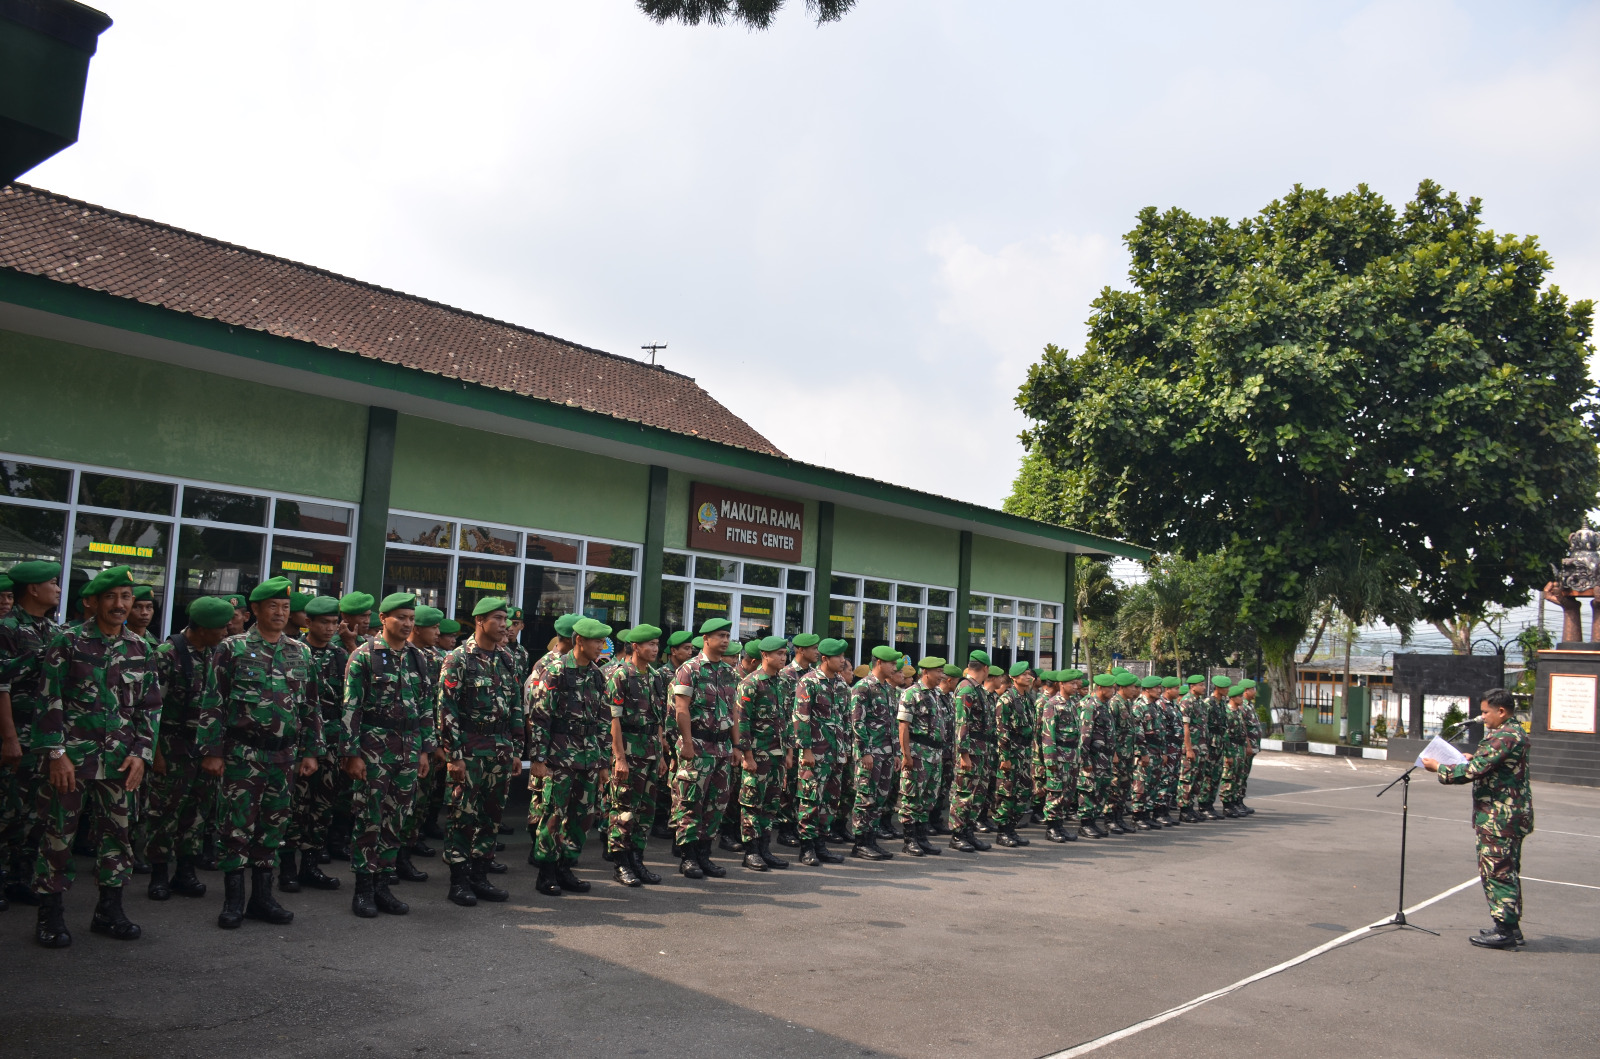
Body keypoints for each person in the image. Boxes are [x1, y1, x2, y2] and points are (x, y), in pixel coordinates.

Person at [31, 565, 161, 948]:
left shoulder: (141, 647)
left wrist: (141, 754)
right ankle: (50, 915)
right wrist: (56, 753)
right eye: (111, 597)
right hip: (71, 759)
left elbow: (149, 708)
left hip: (120, 762)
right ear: (92, 602)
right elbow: (47, 701)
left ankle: (109, 911)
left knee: (117, 838)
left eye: (126, 597)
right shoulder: (67, 643)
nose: (121, 605)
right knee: (58, 836)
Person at [196, 576, 323, 930]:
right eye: (273, 606)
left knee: (274, 826)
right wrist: (212, 751)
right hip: (242, 753)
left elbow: (310, 707)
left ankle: (262, 899)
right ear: (255, 610)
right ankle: (233, 900)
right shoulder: (231, 648)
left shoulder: (301, 651)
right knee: (236, 826)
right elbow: (213, 703)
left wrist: (311, 750)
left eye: (285, 607)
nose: (281, 613)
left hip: (283, 757)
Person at [341, 592, 435, 918]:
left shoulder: (416, 657)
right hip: (373, 749)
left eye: (411, 618)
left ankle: (384, 886)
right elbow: (351, 708)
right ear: (383, 619)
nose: (408, 624)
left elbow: (425, 707)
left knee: (396, 818)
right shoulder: (364, 655)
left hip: (408, 750)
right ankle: (363, 889)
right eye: (401, 618)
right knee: (369, 818)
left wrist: (425, 749)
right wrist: (351, 754)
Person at [1423, 687, 1533, 949]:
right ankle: (1510, 927)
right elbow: (1485, 764)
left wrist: (1439, 767)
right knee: (1507, 870)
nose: (1483, 717)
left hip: (1499, 817)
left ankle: (1505, 932)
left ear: (1502, 711)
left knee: (1497, 872)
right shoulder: (1511, 732)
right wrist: (1474, 759)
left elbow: (1472, 772)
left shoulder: (1505, 735)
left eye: (1486, 712)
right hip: (1507, 816)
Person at [144, 596, 233, 902]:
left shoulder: (217, 653)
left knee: (197, 810)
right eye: (221, 627)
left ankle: (185, 871)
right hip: (172, 744)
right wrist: (154, 754)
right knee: (165, 810)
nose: (226, 632)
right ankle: (158, 873)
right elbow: (151, 708)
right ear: (203, 628)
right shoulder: (168, 654)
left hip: (203, 746)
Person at [437, 597, 523, 906]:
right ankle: (459, 881)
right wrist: (453, 755)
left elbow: (515, 705)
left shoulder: (506, 658)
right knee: (463, 814)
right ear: (480, 621)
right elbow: (446, 710)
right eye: (499, 618)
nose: (504, 624)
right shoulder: (458, 658)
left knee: (491, 815)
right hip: (470, 748)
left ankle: (480, 875)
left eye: (507, 619)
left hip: (499, 748)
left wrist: (515, 749)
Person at [528, 616, 612, 896]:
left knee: (584, 816)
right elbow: (540, 718)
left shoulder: (597, 674)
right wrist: (539, 760)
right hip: (559, 756)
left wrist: (602, 763)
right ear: (579, 641)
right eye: (597, 641)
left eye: (602, 641)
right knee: (553, 814)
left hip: (588, 757)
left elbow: (602, 720)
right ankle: (546, 871)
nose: (601, 646)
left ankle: (566, 866)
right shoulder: (556, 671)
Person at [0, 559, 63, 910]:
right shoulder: (8, 628)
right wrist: (9, 737)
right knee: (6, 809)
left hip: (42, 737)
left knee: (33, 813)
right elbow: (1, 686)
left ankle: (18, 878)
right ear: (33, 590)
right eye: (51, 583)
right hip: (16, 733)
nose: (57, 588)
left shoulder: (52, 630)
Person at [668, 618, 738, 878]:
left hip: (721, 746)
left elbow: (734, 714)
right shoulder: (690, 669)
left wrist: (737, 745)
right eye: (720, 635)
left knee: (716, 804)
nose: (725, 640)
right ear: (706, 639)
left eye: (728, 636)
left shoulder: (730, 672)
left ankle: (705, 855)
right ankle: (688, 857)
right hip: (696, 745)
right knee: (690, 803)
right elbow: (682, 708)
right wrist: (686, 742)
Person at [284, 594, 346, 891]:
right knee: (294, 806)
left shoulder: (339, 656)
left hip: (331, 741)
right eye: (324, 622)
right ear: (308, 623)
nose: (330, 628)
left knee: (323, 806)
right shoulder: (294, 652)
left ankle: (310, 865)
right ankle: (286, 868)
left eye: (335, 622)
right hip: (299, 740)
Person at [605, 624, 667, 886]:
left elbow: (659, 719)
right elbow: (613, 721)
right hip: (629, 752)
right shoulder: (620, 676)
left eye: (656, 644)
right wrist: (619, 758)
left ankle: (637, 860)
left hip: (651, 750)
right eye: (649, 644)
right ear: (635, 647)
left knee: (645, 810)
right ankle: (621, 863)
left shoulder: (655, 676)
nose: (654, 649)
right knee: (623, 809)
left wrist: (662, 754)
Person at [734, 635, 791, 872]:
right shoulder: (750, 683)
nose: (783, 657)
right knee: (751, 803)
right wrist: (746, 756)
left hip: (777, 754)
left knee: (771, 803)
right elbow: (742, 721)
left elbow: (786, 720)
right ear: (764, 655)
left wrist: (787, 753)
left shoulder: (783, 683)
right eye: (778, 653)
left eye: (785, 654)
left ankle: (765, 849)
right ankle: (751, 851)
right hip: (757, 754)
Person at [793, 637, 851, 865]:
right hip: (815, 754)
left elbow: (846, 720)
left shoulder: (841, 685)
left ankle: (821, 844)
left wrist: (845, 750)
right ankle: (806, 848)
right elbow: (801, 718)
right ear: (826, 659)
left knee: (830, 800)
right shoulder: (809, 682)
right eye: (839, 657)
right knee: (810, 799)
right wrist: (806, 750)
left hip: (836, 754)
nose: (843, 661)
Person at [847, 645, 900, 861]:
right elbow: (857, 722)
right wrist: (865, 752)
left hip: (886, 754)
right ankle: (860, 842)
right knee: (865, 798)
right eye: (892, 664)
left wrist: (896, 752)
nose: (895, 667)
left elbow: (892, 724)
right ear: (879, 662)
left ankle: (872, 839)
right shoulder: (863, 687)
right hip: (870, 755)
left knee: (879, 798)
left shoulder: (887, 689)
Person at [895, 656, 946, 856]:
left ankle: (922, 837)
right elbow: (903, 727)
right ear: (926, 672)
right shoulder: (911, 694)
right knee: (911, 797)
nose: (941, 675)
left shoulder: (936, 694)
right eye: (938, 671)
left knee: (928, 797)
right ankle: (909, 840)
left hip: (934, 753)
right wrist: (906, 755)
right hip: (918, 752)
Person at [947, 651, 996, 852]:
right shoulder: (966, 689)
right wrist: (963, 754)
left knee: (977, 794)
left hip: (981, 750)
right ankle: (957, 834)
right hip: (970, 751)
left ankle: (968, 831)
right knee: (964, 792)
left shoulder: (978, 690)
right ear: (985, 668)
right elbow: (961, 723)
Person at [774, 632, 819, 847]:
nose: (817, 652)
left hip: (808, 738)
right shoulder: (786, 675)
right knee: (788, 784)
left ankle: (801, 826)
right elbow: (783, 710)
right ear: (801, 650)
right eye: (814, 648)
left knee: (804, 786)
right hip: (789, 738)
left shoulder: (814, 675)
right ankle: (785, 828)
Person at [992, 661, 1035, 847]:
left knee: (1023, 793)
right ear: (1014, 678)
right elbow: (1002, 731)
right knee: (1007, 792)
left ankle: (1012, 828)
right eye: (1024, 674)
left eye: (1029, 674)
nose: (1028, 677)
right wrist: (1005, 758)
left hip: (1025, 753)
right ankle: (1002, 831)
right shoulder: (1006, 700)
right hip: (1012, 752)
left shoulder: (1028, 699)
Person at [1037, 670, 1082, 842]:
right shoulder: (1052, 704)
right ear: (1062, 684)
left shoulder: (1072, 703)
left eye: (1076, 684)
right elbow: (1048, 734)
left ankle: (1060, 825)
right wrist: (1050, 760)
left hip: (1071, 756)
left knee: (1068, 793)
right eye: (1072, 684)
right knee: (1055, 792)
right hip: (1059, 756)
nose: (1076, 686)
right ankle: (1052, 828)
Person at [1076, 674, 1117, 839]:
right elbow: (1084, 736)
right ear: (1100, 688)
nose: (1113, 691)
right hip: (1093, 757)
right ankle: (1085, 824)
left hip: (1104, 757)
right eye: (1111, 688)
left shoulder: (1104, 706)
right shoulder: (1090, 707)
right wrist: (1085, 759)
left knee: (1101, 789)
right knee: (1089, 790)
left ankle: (1093, 821)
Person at [1178, 675, 1211, 823]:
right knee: (1187, 778)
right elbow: (1185, 727)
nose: (1204, 687)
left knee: (1198, 779)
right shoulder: (1186, 702)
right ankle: (1184, 810)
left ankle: (1191, 807)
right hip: (1192, 747)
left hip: (1201, 747)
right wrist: (1189, 749)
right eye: (1201, 685)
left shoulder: (1201, 703)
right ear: (1192, 687)